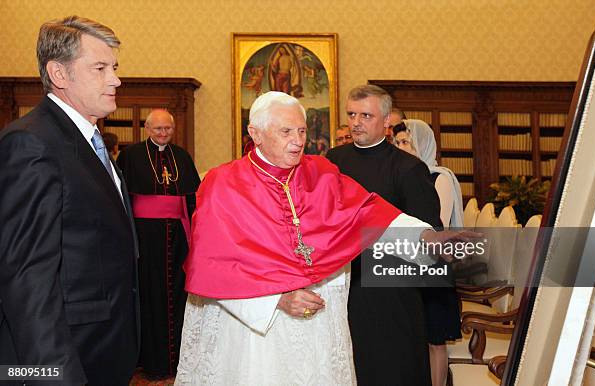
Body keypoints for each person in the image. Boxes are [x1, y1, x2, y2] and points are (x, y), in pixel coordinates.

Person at [175, 91, 473, 385]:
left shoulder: (321, 172)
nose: (298, 140)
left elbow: (368, 214)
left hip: (319, 325)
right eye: (286, 131)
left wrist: (424, 236)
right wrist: (274, 300)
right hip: (260, 331)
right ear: (256, 133)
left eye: (302, 130)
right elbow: (214, 267)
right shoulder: (223, 183)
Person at [0, 16, 139, 385]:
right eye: (100, 68)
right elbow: (28, 281)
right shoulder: (32, 143)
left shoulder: (88, 140)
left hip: (103, 351)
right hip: (67, 360)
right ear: (59, 74)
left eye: (114, 67)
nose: (116, 79)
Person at [326, 84, 443, 385]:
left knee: (393, 369)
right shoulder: (333, 161)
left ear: (387, 119)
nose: (356, 122)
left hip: (392, 294)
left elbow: (429, 238)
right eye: (352, 114)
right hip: (341, 285)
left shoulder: (408, 168)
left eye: (366, 115)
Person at [116, 109, 200, 378]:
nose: (163, 134)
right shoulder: (131, 156)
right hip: (145, 239)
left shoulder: (182, 157)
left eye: (167, 129)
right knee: (148, 295)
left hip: (177, 239)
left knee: (177, 294)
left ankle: (176, 360)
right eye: (158, 129)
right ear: (147, 129)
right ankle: (151, 360)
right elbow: (123, 201)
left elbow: (192, 201)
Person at [394, 120, 463, 386]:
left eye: (405, 142)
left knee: (435, 338)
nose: (400, 148)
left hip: (433, 266)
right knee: (412, 335)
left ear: (422, 144)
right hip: (407, 263)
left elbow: (439, 224)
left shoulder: (439, 177)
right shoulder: (402, 175)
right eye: (397, 143)